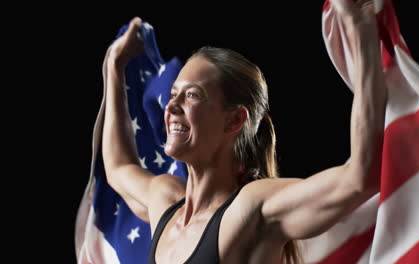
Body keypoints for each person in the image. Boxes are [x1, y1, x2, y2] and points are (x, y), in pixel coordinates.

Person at [101, 0, 387, 263]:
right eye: (174, 94)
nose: (172, 106)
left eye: (192, 95)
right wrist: (114, 68)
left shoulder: (251, 208)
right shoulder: (164, 201)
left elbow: (360, 178)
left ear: (234, 120)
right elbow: (118, 167)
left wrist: (361, 30)